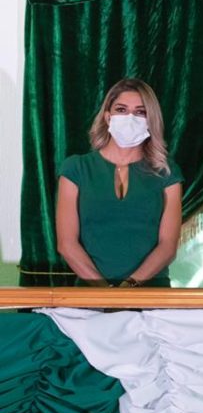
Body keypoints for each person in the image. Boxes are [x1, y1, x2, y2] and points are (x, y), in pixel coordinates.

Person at [56, 78, 183, 287]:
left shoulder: (166, 172)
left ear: (150, 120)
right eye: (121, 110)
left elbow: (168, 246)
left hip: (151, 294)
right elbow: (66, 244)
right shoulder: (76, 168)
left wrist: (128, 288)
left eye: (140, 112)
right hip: (90, 294)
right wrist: (104, 293)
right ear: (108, 117)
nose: (130, 118)